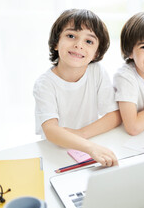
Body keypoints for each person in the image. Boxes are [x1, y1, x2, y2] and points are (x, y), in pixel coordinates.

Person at [33, 9, 121, 166]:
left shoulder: (97, 71)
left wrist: (81, 134)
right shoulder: (45, 84)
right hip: (56, 152)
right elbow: (51, 131)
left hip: (90, 147)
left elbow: (114, 115)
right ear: (55, 43)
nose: (78, 45)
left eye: (89, 41)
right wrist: (89, 146)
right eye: (71, 36)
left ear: (96, 53)